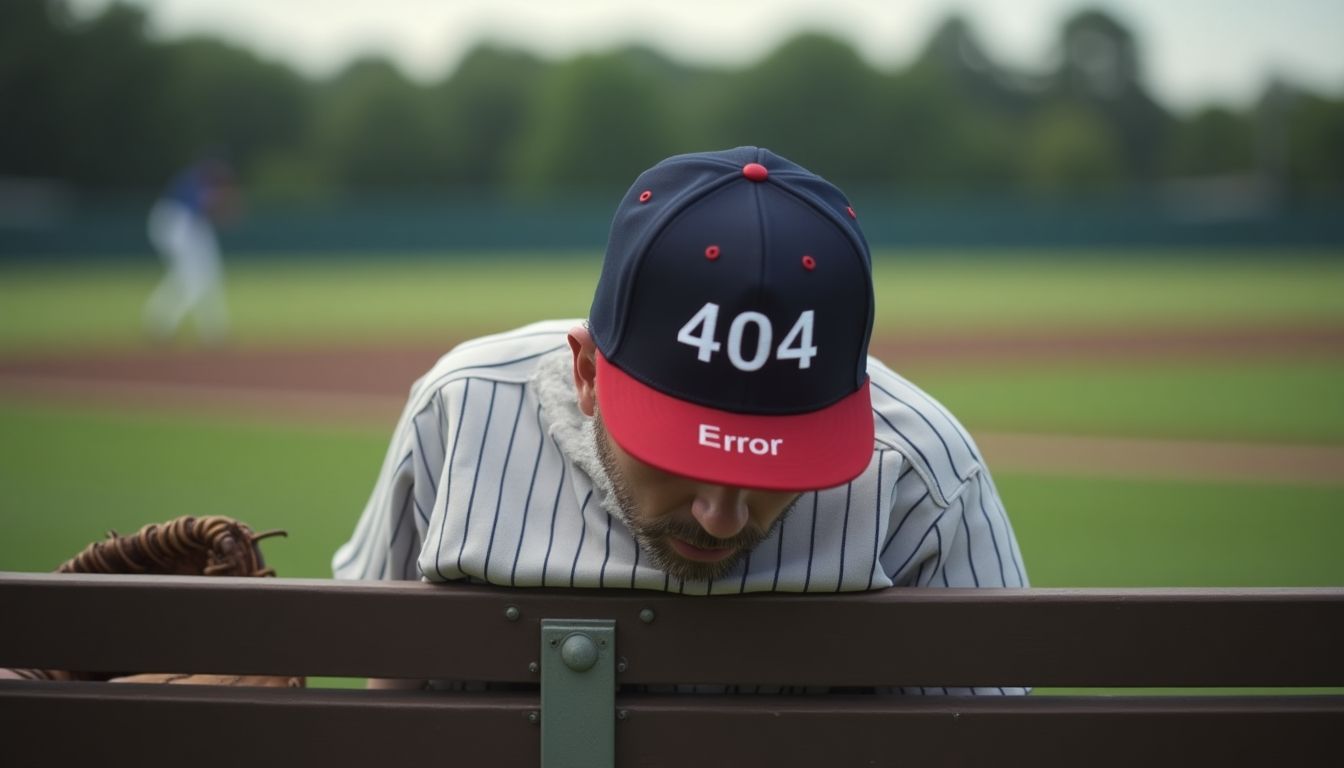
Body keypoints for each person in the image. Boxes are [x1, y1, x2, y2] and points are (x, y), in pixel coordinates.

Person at [333, 146, 1029, 694]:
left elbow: (382, 674)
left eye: (776, 465)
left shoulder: (464, 408)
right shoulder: (926, 468)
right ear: (587, 373)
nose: (721, 516)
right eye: (684, 455)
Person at [142, 156, 239, 344]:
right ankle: (161, 323)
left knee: (204, 276)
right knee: (193, 278)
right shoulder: (195, 181)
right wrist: (224, 206)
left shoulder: (199, 181)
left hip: (184, 224)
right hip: (176, 223)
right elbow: (202, 208)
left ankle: (213, 330)